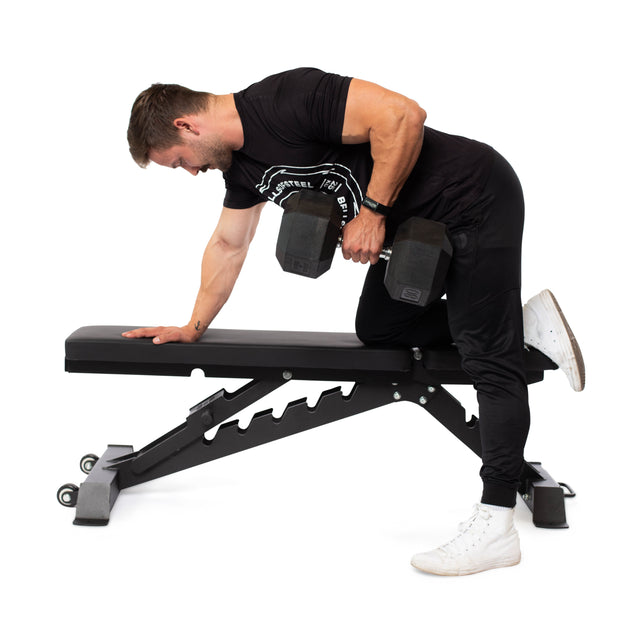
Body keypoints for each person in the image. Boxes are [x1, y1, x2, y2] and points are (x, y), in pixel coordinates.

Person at [123, 68, 585, 576]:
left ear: (187, 127)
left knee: (487, 357)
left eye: (179, 163)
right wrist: (193, 325)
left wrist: (372, 211)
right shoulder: (242, 170)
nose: (189, 172)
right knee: (380, 328)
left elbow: (402, 114)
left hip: (472, 197)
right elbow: (230, 244)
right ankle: (523, 328)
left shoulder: (284, 100)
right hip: (417, 236)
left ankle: (495, 522)